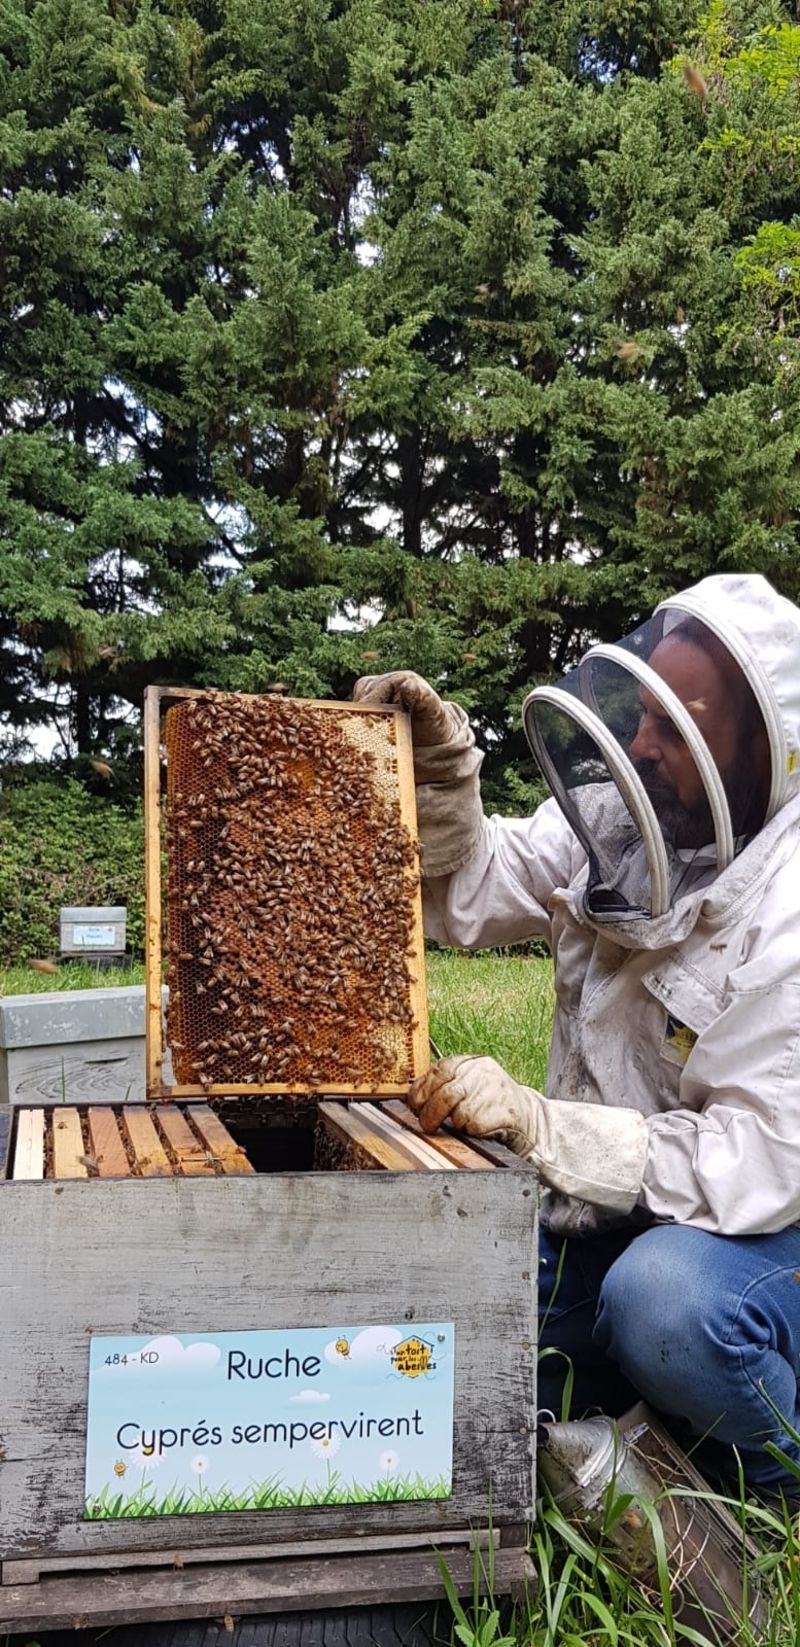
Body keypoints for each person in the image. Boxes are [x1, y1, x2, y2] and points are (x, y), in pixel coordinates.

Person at [354, 572, 800, 1500]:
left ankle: (777, 1493)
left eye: (678, 729)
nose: (641, 745)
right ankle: (648, 1427)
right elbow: (468, 893)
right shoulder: (620, 816)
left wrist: (546, 1127)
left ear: (762, 753)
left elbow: (756, 1160)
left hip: (754, 1245)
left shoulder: (787, 911)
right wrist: (439, 780)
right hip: (603, 1213)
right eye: (642, 714)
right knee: (456, 1328)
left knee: (663, 1303)